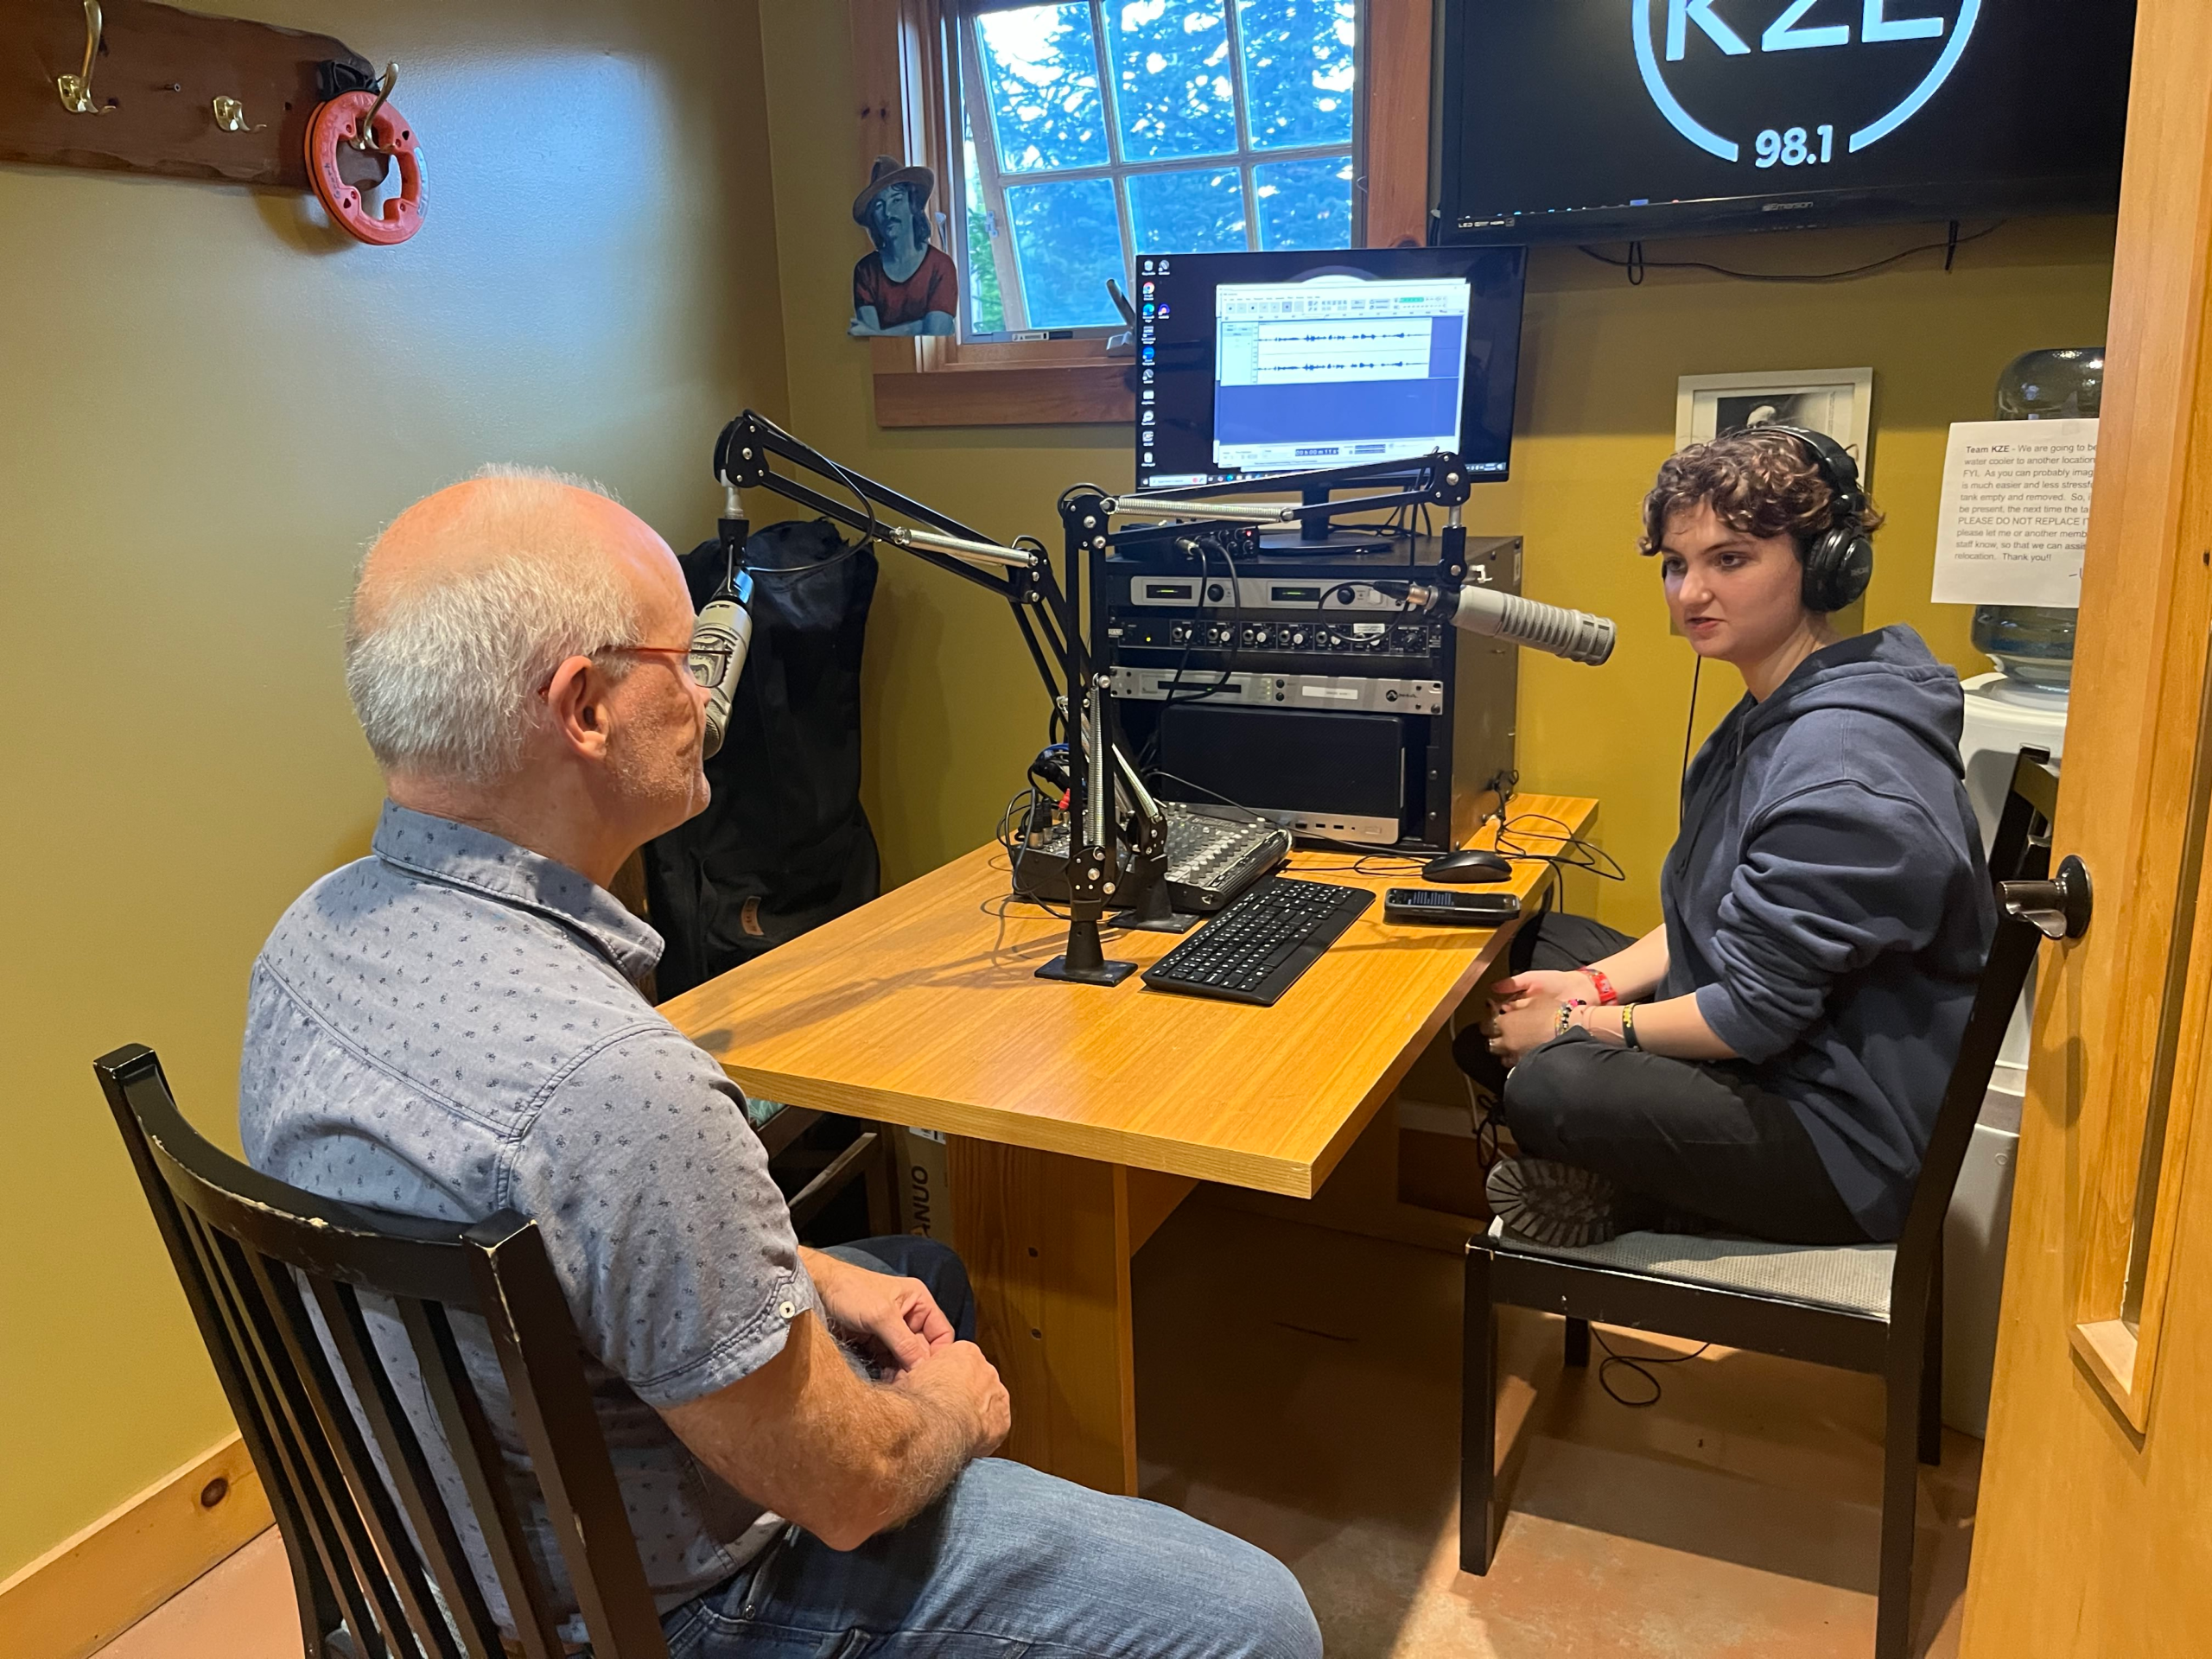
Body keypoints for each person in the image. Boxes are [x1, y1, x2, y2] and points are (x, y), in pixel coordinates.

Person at [238, 468, 1321, 1659]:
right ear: (583, 707)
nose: (711, 693)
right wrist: (952, 1411)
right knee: (1254, 1617)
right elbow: (848, 1489)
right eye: (685, 658)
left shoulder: (308, 942)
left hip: (449, 1545)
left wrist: (807, 1271)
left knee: (914, 1276)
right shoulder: (616, 1081)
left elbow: (565, 1227)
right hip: (652, 1608)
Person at [1465, 427, 1995, 1249]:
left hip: (1848, 1139)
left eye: (1731, 559)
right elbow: (1714, 915)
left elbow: (1750, 1015)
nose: (1691, 592)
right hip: (1789, 1047)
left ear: (1825, 565)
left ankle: (1654, 1196)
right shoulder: (1779, 705)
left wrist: (1573, 1025)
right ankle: (1633, 1172)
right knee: (1532, 946)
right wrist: (1590, 987)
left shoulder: (1841, 775)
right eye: (1677, 565)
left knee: (1551, 1082)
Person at [849, 156, 958, 338]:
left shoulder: (940, 265)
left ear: (913, 205)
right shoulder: (866, 270)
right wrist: (919, 326)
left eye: (896, 200)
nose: (888, 213)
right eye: (879, 206)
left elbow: (937, 333)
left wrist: (884, 333)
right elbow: (873, 340)